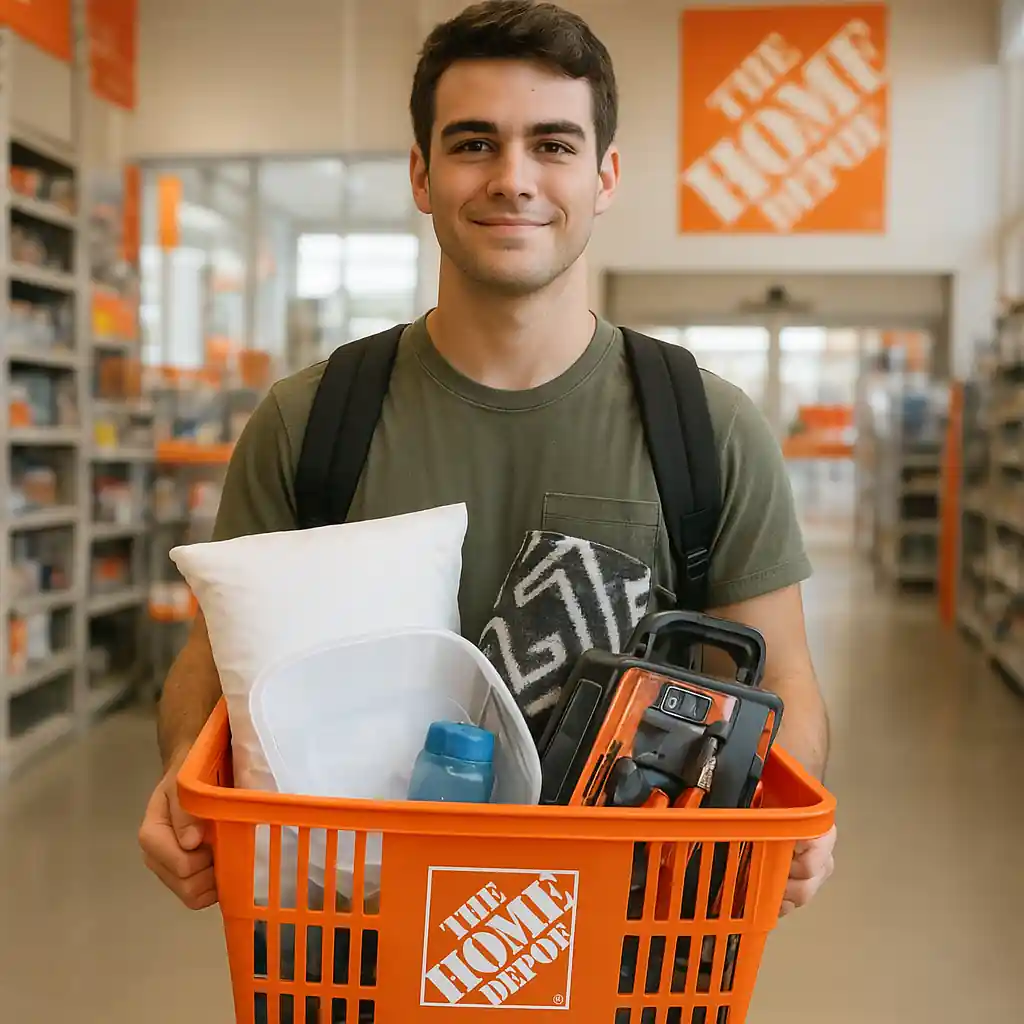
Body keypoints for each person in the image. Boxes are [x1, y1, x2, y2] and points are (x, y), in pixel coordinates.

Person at [139, 0, 835, 920]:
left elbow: (781, 676)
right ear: (421, 176)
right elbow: (211, 661)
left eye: (553, 145)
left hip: (621, 946)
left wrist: (786, 809)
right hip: (351, 943)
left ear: (604, 175)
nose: (514, 179)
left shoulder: (707, 428)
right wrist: (185, 780)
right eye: (474, 144)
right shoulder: (311, 421)